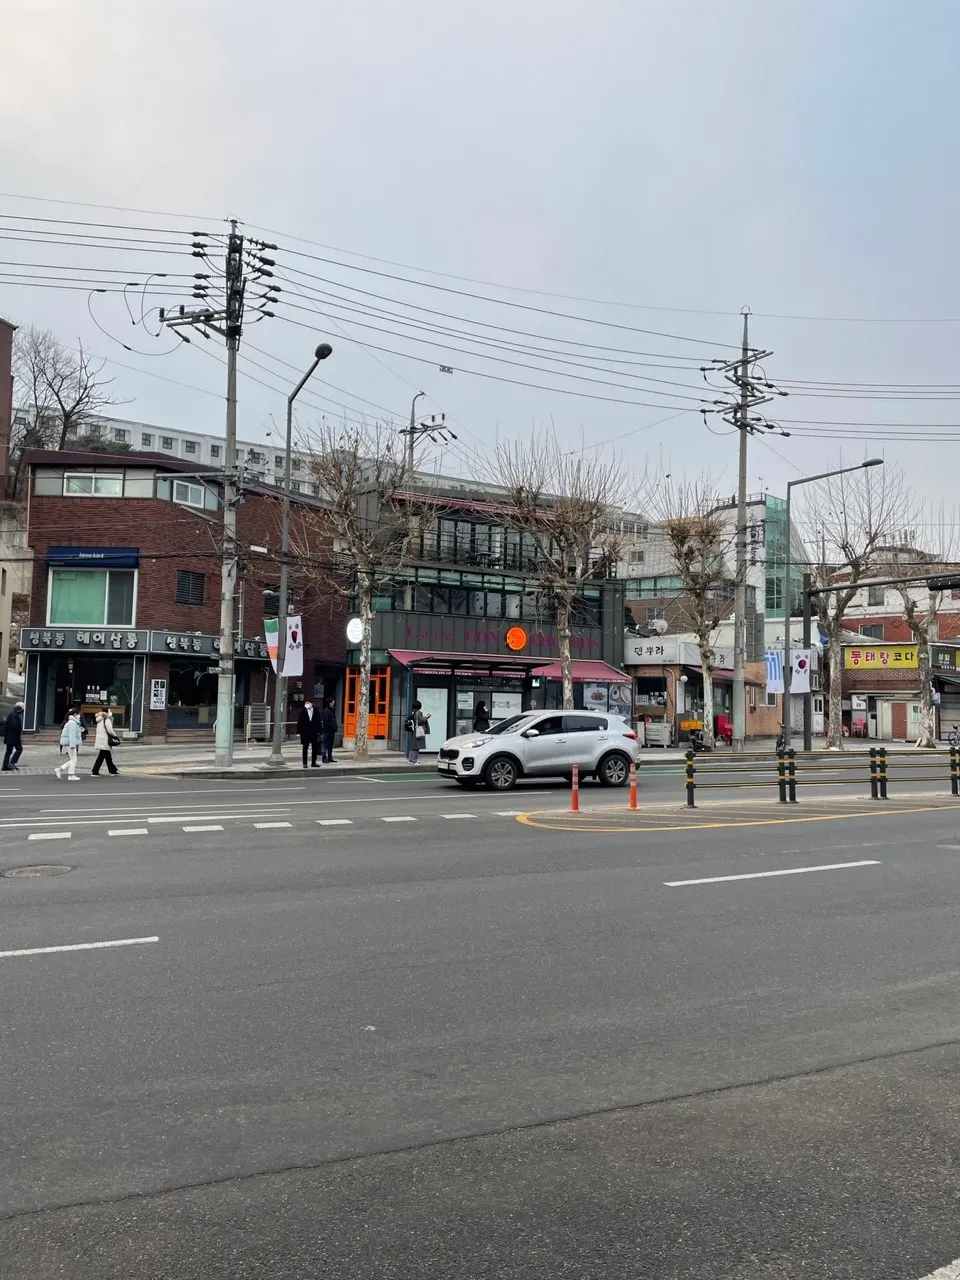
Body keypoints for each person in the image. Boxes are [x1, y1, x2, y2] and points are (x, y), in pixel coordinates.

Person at [55, 710, 83, 781]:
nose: (79, 716)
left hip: (69, 743)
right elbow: (72, 735)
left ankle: (60, 769)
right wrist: (72, 745)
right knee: (74, 760)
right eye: (78, 714)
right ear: (75, 714)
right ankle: (71, 775)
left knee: (73, 759)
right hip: (70, 743)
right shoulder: (72, 723)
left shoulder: (71, 722)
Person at [91, 708, 120, 776]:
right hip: (105, 740)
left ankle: (112, 770)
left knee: (107, 756)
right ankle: (95, 771)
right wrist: (115, 735)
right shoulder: (106, 719)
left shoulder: (99, 719)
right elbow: (110, 730)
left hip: (101, 739)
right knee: (101, 757)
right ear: (107, 712)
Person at [405, 700, 430, 764]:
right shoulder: (418, 713)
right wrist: (427, 717)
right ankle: (414, 760)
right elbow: (421, 720)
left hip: (414, 730)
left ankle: (410, 759)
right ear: (419, 706)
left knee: (413, 746)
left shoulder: (414, 712)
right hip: (418, 731)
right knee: (416, 746)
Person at [297, 700, 321, 768]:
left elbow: (319, 722)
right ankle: (305, 763)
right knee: (305, 748)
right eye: (306, 703)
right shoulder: (302, 712)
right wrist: (298, 732)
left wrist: (320, 732)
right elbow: (299, 722)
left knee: (315, 748)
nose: (307, 704)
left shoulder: (316, 711)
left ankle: (313, 762)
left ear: (311, 704)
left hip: (314, 732)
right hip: (305, 733)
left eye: (308, 703)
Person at [2, 702, 24, 771]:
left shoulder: (13, 714)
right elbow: (14, 726)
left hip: (9, 737)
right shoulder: (14, 715)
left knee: (8, 751)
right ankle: (11, 763)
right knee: (19, 749)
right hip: (13, 737)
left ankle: (5, 765)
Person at [320, 697, 338, 764]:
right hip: (327, 731)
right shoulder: (326, 711)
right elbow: (325, 721)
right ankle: (324, 758)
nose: (333, 704)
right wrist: (332, 726)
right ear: (329, 703)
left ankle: (330, 757)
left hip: (332, 731)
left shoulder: (332, 711)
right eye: (332, 703)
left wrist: (335, 727)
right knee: (325, 744)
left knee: (330, 745)